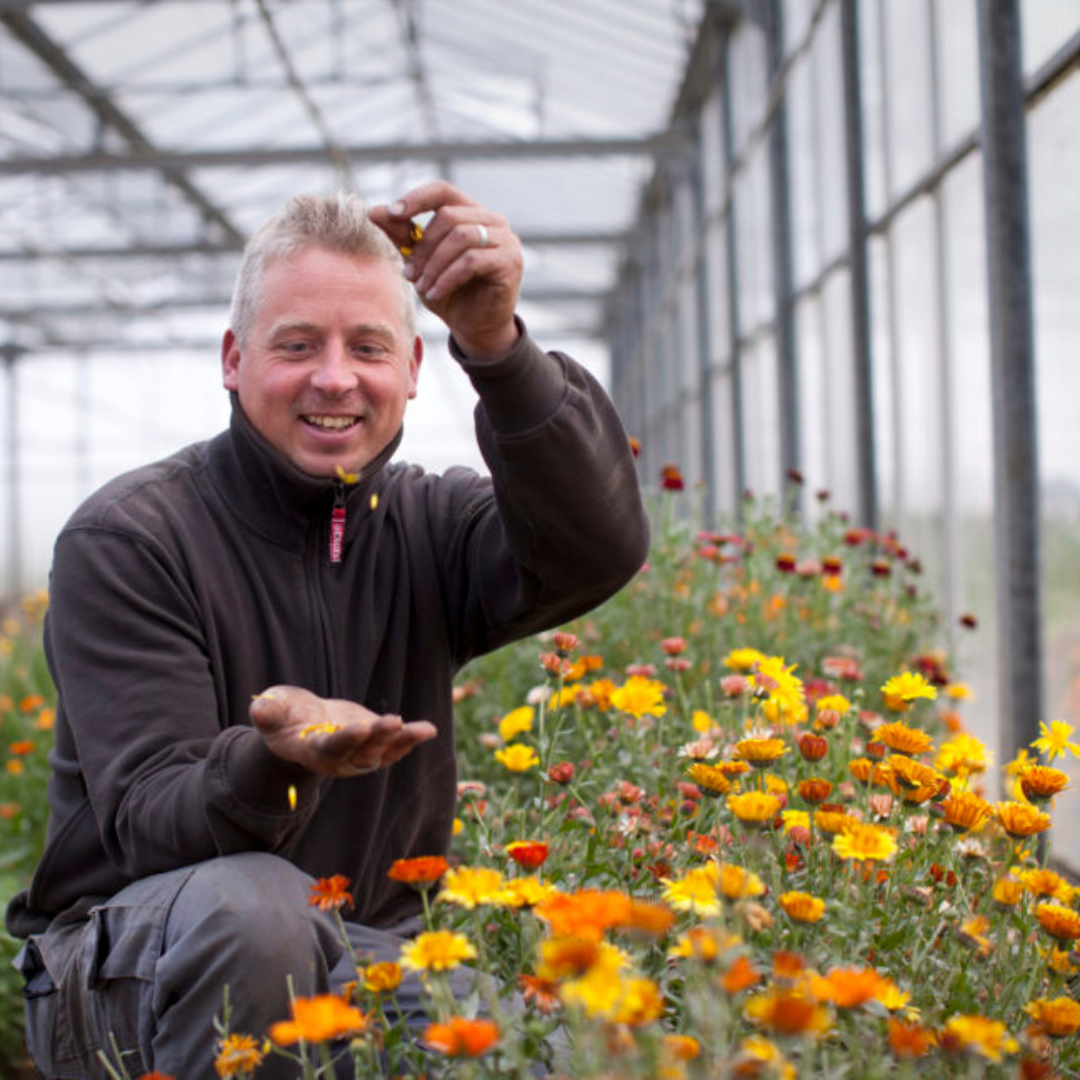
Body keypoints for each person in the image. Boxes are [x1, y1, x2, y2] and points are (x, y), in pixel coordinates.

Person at [6, 183, 650, 1079]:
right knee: (257, 913)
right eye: (297, 345)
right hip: (126, 968)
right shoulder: (132, 537)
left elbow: (595, 549)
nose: (336, 377)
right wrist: (274, 760)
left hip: (364, 952)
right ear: (234, 358)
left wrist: (498, 345)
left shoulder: (432, 524)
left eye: (369, 347)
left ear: (415, 369)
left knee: (554, 1044)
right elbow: (148, 822)